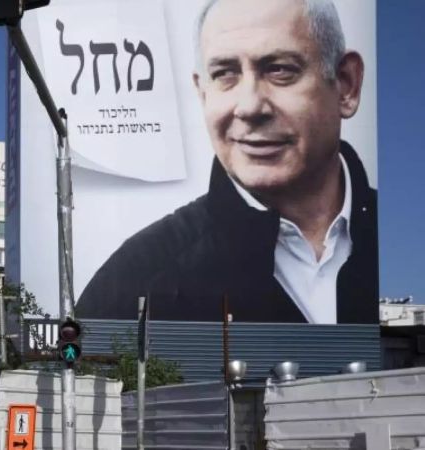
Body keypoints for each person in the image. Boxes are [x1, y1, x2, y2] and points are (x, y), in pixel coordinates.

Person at [76, 0, 377, 324]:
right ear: (202, 92)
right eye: (224, 74)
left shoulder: (390, 237)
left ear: (346, 85)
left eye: (280, 70)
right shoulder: (131, 283)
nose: (249, 107)